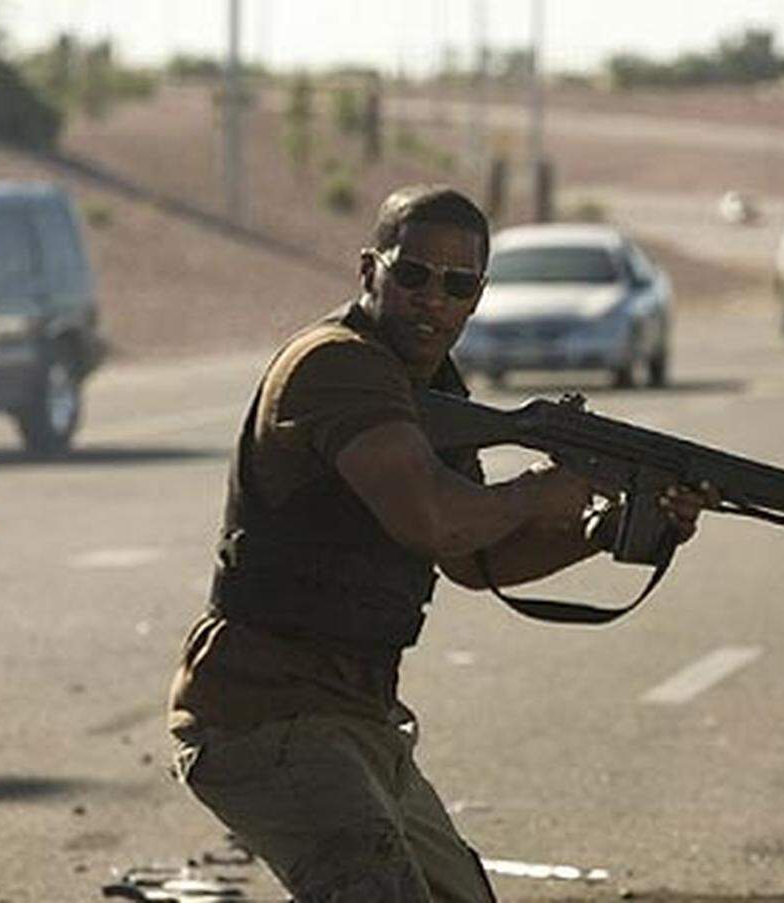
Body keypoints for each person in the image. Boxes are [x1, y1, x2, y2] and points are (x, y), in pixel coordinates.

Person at [167, 184, 711, 901]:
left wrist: (608, 529)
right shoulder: (336, 364)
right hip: (264, 712)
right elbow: (436, 521)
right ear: (369, 271)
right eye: (413, 275)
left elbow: (476, 560)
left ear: (478, 296)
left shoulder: (431, 388)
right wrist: (536, 492)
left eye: (458, 285)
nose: (434, 300)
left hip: (355, 715)